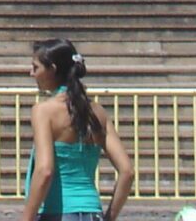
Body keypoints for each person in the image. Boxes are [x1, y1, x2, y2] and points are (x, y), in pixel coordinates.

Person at [18, 37, 133, 221]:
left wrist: (26, 218)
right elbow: (127, 171)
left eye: (36, 67)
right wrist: (109, 217)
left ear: (52, 70)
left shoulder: (44, 111)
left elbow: (45, 170)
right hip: (92, 212)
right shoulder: (97, 112)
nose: (31, 73)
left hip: (58, 212)